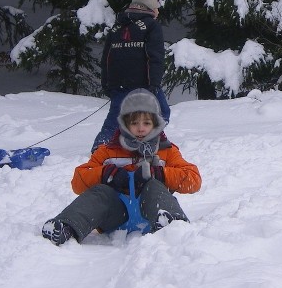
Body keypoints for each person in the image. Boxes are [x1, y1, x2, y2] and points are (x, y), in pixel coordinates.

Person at [43, 88, 201, 245]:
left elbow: (194, 180)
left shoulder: (167, 150)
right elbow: (77, 182)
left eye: (146, 123)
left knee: (154, 186)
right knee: (101, 192)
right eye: (134, 123)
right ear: (125, 124)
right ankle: (67, 226)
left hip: (152, 212)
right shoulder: (108, 151)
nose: (140, 128)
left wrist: (160, 174)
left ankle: (172, 227)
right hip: (116, 215)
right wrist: (105, 174)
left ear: (155, 124)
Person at [91, 0, 170, 152]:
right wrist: (154, 83)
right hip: (144, 82)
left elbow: (106, 57)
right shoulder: (152, 26)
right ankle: (151, 140)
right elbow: (155, 57)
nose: (158, 11)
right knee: (161, 111)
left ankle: (101, 147)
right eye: (156, 7)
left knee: (116, 117)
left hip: (118, 83)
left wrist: (106, 83)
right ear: (148, 7)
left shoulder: (117, 26)